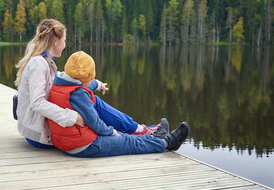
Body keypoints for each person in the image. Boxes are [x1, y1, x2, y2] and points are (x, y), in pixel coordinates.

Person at [14, 19, 158, 149]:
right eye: (64, 40)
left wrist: (95, 84)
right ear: (55, 41)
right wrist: (72, 117)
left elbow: (65, 84)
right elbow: (37, 103)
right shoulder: (38, 64)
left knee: (89, 100)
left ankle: (137, 130)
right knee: (92, 102)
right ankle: (138, 131)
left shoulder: (45, 61)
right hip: (39, 135)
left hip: (41, 128)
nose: (65, 45)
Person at [48, 51, 190, 157]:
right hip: (83, 145)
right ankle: (167, 143)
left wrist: (97, 84)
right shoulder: (79, 94)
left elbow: (82, 86)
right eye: (90, 78)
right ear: (85, 78)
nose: (91, 80)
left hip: (65, 141)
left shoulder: (59, 82)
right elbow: (96, 124)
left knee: (123, 135)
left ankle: (151, 136)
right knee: (128, 142)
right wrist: (113, 132)